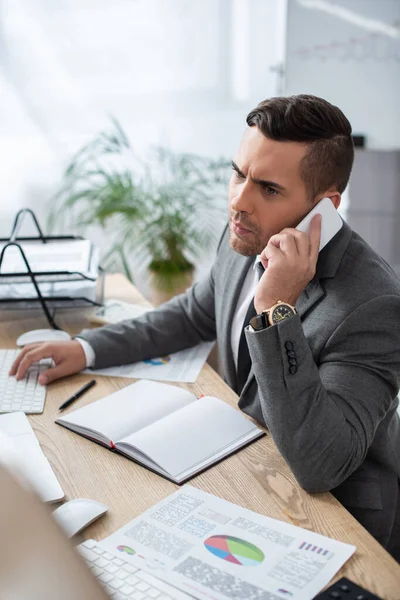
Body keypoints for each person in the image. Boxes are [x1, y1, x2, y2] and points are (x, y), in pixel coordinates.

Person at [10, 94, 400, 560]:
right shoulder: (248, 232)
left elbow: (321, 464)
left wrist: (276, 308)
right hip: (245, 469)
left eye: (269, 189)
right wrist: (87, 348)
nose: (239, 201)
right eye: (239, 174)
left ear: (325, 207)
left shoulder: (374, 305)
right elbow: (193, 313)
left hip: (337, 524)